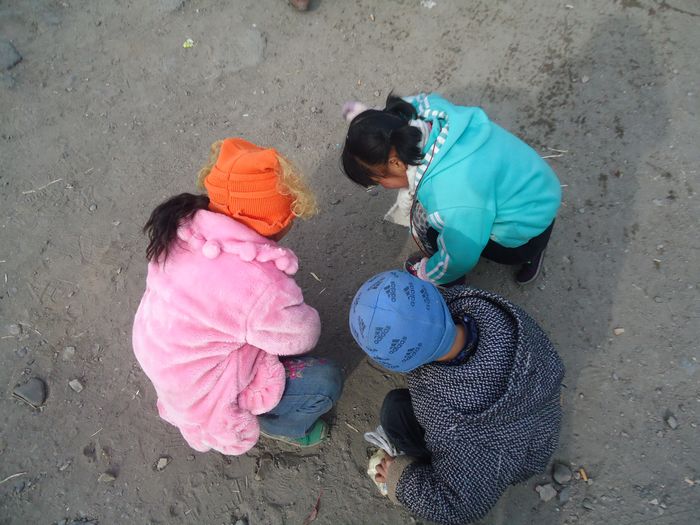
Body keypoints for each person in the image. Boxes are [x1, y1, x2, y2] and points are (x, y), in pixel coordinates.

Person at [132, 138, 343, 455]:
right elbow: (303, 334)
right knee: (325, 381)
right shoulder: (259, 284)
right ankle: (283, 426)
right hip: (209, 394)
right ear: (276, 222)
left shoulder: (183, 227)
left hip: (171, 368)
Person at [349, 270, 564, 524]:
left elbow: (461, 507)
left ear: (399, 364)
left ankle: (425, 466)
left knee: (394, 414)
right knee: (397, 406)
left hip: (517, 457)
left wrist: (401, 478)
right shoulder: (482, 307)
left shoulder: (451, 423)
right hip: (538, 412)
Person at [341, 93, 562, 285]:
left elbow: (460, 256)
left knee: (430, 230)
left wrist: (427, 273)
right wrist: (367, 123)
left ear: (396, 164)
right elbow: (400, 112)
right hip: (539, 186)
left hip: (524, 230)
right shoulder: (426, 112)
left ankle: (526, 256)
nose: (381, 185)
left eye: (377, 179)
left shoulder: (451, 197)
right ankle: (535, 245)